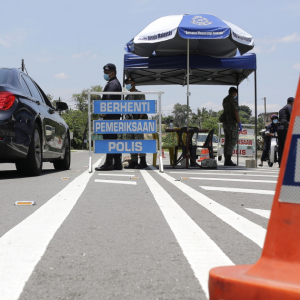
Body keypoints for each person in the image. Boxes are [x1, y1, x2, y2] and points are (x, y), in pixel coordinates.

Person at [95, 63, 122, 171]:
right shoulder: (116, 83)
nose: (105, 75)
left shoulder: (112, 84)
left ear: (112, 73)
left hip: (110, 117)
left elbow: (108, 100)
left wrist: (103, 113)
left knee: (109, 139)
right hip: (114, 116)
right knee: (113, 139)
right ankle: (117, 163)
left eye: (106, 73)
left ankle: (109, 163)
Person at [124, 77, 148, 169]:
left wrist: (140, 119)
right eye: (126, 83)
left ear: (133, 83)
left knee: (139, 141)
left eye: (129, 83)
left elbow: (143, 108)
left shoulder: (139, 94)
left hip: (137, 120)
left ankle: (142, 161)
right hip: (129, 122)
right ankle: (133, 161)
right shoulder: (127, 96)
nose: (127, 85)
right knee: (131, 141)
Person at [221, 87, 243, 166]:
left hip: (225, 123)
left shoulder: (225, 99)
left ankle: (226, 159)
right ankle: (228, 159)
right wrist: (239, 122)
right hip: (232, 123)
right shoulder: (233, 100)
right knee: (233, 140)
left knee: (227, 141)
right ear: (234, 93)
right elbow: (235, 111)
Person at [278, 97, 294, 166]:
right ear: (292, 102)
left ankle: (280, 163)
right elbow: (291, 116)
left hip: (279, 128)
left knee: (281, 146)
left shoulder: (282, 109)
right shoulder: (289, 107)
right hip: (285, 128)